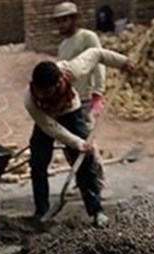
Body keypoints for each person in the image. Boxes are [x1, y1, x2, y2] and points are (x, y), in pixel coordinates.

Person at [25, 48, 134, 228]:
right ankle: (41, 211)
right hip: (47, 119)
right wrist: (76, 141)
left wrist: (122, 62)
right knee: (38, 161)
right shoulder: (30, 100)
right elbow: (50, 127)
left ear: (59, 81)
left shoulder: (70, 70)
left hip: (70, 112)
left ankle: (96, 211)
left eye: (49, 92)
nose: (44, 95)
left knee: (85, 162)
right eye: (41, 91)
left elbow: (96, 53)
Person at [53, 1, 110, 197]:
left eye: (65, 20)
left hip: (85, 97)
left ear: (74, 19)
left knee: (87, 142)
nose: (62, 25)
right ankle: (83, 181)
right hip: (69, 102)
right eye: (59, 21)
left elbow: (100, 60)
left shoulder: (87, 37)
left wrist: (98, 91)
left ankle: (98, 183)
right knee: (71, 144)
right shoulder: (63, 45)